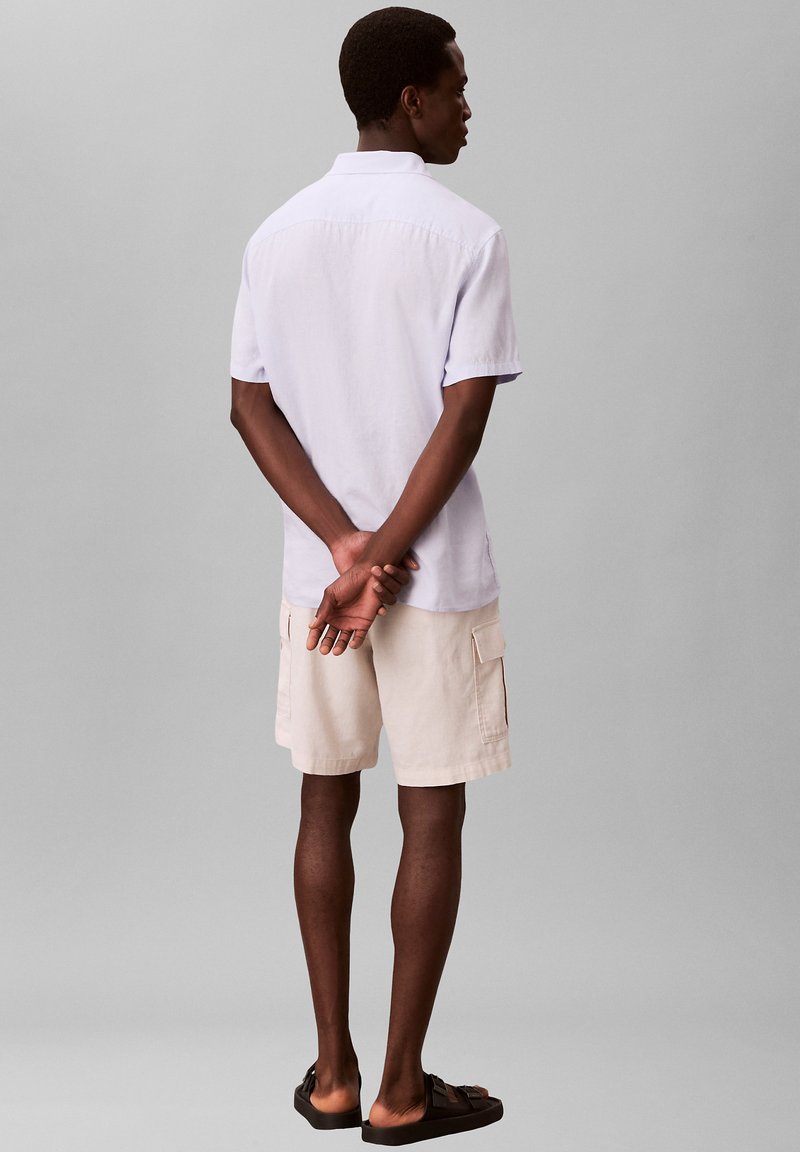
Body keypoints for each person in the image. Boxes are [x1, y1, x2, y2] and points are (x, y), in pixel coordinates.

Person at [230, 7, 521, 1144]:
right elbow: (463, 418)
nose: (466, 107)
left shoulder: (276, 233)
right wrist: (388, 553)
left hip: (323, 585)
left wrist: (344, 550)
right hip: (431, 579)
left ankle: (334, 1077)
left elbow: (249, 407)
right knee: (429, 812)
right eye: (456, 86)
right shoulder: (467, 236)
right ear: (411, 99)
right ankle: (401, 1091)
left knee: (322, 799)